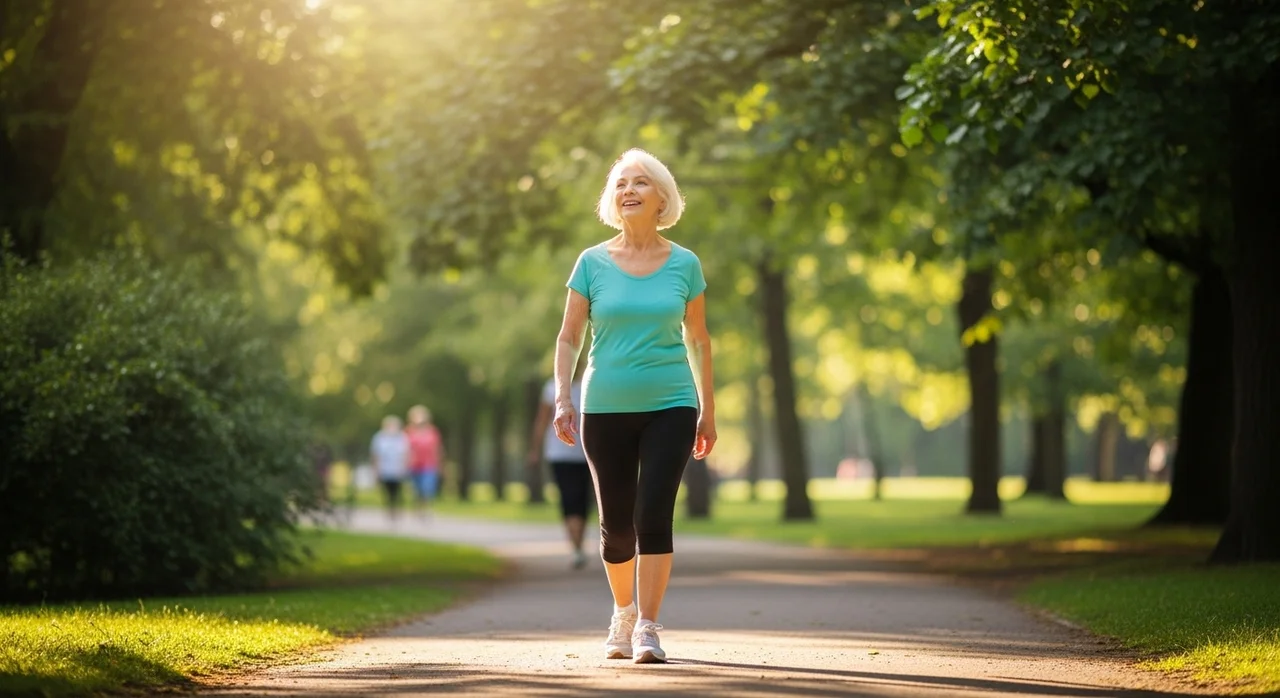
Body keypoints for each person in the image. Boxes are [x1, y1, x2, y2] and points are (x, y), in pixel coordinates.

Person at [551, 148, 716, 664]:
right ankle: (622, 612)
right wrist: (563, 397)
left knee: (652, 515)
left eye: (641, 182)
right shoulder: (592, 262)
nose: (629, 190)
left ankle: (647, 626)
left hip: (671, 403)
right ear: (612, 198)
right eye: (621, 183)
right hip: (605, 406)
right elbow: (568, 337)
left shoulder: (685, 264)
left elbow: (700, 341)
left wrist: (707, 409)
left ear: (661, 197)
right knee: (616, 525)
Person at [527, 352, 592, 570]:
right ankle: (575, 547)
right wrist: (535, 449)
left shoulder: (589, 385)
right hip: (560, 454)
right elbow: (542, 421)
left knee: (584, 499)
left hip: (587, 453)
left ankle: (579, 545)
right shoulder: (551, 388)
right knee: (568, 497)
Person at [406, 405, 444, 519]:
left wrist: (440, 463)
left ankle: (427, 510)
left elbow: (437, 448)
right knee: (416, 490)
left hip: (429, 464)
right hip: (414, 465)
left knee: (427, 488)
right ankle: (417, 510)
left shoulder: (432, 431)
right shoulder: (409, 431)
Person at [369, 415, 410, 522]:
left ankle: (397, 512)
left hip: (398, 470)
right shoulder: (379, 437)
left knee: (397, 492)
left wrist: (405, 468)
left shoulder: (402, 437)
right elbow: (376, 455)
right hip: (385, 470)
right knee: (387, 493)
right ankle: (389, 512)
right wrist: (375, 470)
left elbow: (406, 454)